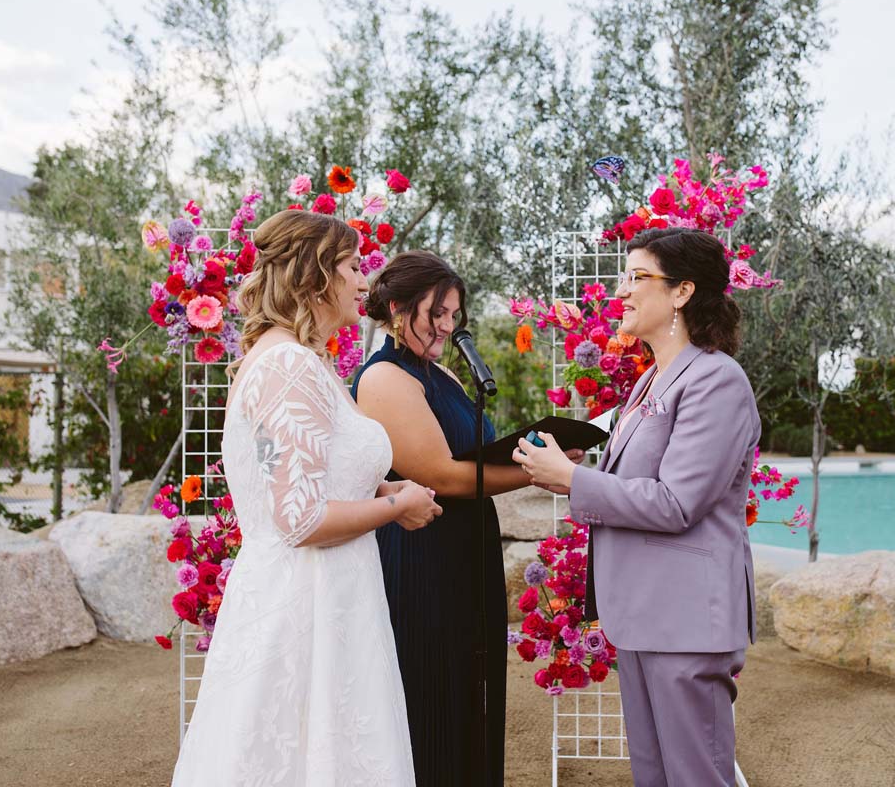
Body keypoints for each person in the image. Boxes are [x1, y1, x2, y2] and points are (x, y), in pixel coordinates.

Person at [172, 210, 441, 786]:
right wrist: (399, 508)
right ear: (316, 275)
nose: (364, 281)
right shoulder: (290, 366)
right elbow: (300, 519)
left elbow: (306, 478)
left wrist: (383, 485)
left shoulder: (294, 360)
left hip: (325, 593)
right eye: (351, 266)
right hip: (308, 602)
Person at [513, 227, 761, 787]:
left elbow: (677, 503)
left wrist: (576, 479)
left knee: (695, 776)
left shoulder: (716, 380)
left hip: (687, 620)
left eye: (637, 277)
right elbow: (646, 488)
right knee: (653, 775)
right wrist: (570, 479)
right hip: (647, 613)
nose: (621, 291)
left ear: (681, 292)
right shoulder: (651, 379)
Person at [351, 250, 582, 786]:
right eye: (437, 313)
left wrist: (541, 449)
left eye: (455, 315)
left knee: (466, 687)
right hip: (421, 555)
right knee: (429, 688)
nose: (448, 326)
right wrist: (538, 471)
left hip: (466, 552)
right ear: (396, 307)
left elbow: (480, 456)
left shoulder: (446, 378)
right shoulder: (385, 377)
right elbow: (444, 476)